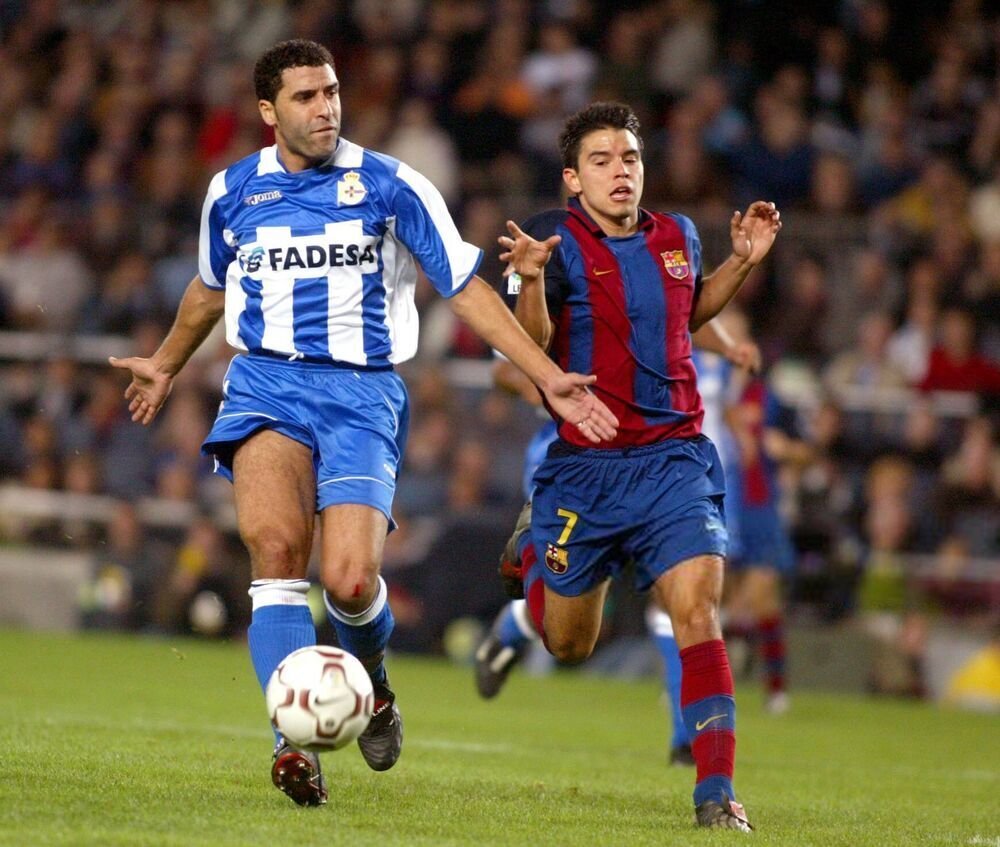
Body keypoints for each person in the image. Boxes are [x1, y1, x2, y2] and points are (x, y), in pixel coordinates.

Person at [109, 40, 618, 808]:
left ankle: (374, 688)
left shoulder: (390, 183)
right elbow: (210, 290)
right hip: (266, 384)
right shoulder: (233, 190)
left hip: (361, 393)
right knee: (276, 553)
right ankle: (291, 744)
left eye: (332, 92)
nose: (326, 108)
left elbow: (465, 288)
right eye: (306, 97)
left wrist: (546, 375)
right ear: (268, 111)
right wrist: (165, 362)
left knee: (350, 582)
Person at [473, 101, 780, 831]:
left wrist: (741, 262)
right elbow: (532, 348)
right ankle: (533, 566)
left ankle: (716, 794)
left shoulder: (679, 234)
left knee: (697, 610)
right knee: (569, 643)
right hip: (587, 468)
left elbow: (687, 314)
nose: (620, 172)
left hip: (675, 458)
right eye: (602, 160)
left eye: (631, 158)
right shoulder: (551, 241)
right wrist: (531, 282)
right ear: (572, 178)